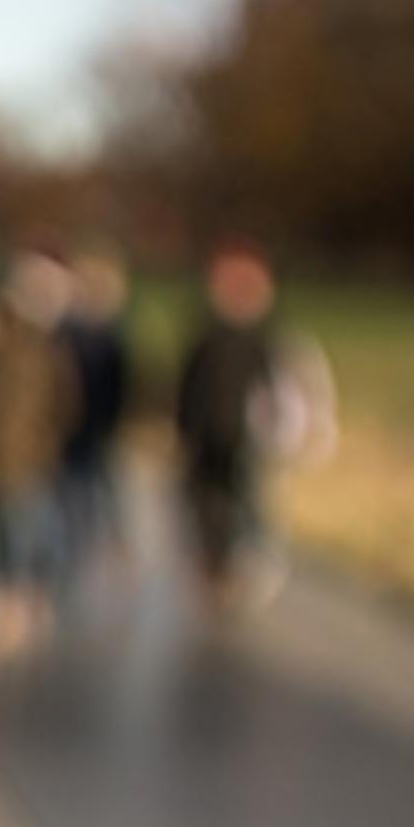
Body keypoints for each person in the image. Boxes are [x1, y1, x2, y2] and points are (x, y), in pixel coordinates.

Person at [173, 244, 330, 611]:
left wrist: (301, 433)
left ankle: (245, 574)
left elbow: (293, 390)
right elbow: (188, 387)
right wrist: (182, 429)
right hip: (206, 439)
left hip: (249, 440)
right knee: (206, 508)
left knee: (250, 508)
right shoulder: (204, 335)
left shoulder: (273, 339)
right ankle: (215, 571)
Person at [0, 252, 78, 653]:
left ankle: (29, 594)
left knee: (27, 530)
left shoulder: (50, 351)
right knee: (4, 530)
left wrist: (47, 443)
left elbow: (65, 405)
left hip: (30, 457)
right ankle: (8, 598)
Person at [55, 250, 135, 601]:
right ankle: (84, 547)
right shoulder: (65, 331)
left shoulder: (111, 336)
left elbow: (120, 385)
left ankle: (108, 541)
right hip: (71, 430)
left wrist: (111, 421)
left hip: (94, 428)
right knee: (79, 492)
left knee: (96, 488)